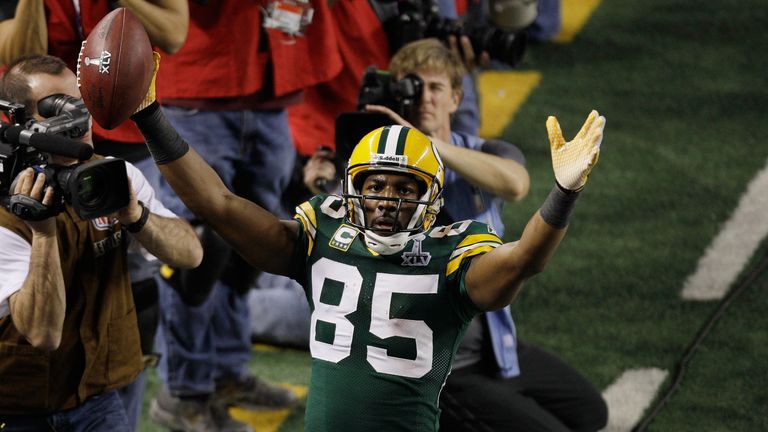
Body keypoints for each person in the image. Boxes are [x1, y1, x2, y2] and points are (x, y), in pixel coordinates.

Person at [131, 47, 605, 430]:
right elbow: (217, 203)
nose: (386, 200)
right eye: (374, 186)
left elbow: (524, 260)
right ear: (353, 188)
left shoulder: (452, 253)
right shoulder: (324, 230)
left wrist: (564, 193)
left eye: (404, 189)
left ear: (432, 199)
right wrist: (151, 115)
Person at [356, 38, 608, 432]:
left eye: (435, 87)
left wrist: (428, 147)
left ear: (456, 98)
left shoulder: (484, 151)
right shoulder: (377, 170)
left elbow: (515, 183)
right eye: (412, 86)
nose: (424, 98)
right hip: (438, 363)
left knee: (591, 414)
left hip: (489, 342)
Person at [144, 2, 341, 431]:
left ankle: (227, 371)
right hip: (199, 82)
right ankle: (186, 390)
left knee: (251, 245)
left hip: (272, 83)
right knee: (197, 250)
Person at [0, 3, 190, 429]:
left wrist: (136, 215)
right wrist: (44, 236)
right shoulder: (3, 209)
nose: (78, 118)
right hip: (16, 403)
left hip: (98, 395)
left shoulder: (112, 173)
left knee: (144, 298)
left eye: (80, 101)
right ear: (16, 121)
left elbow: (191, 254)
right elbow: (43, 335)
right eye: (56, 108)